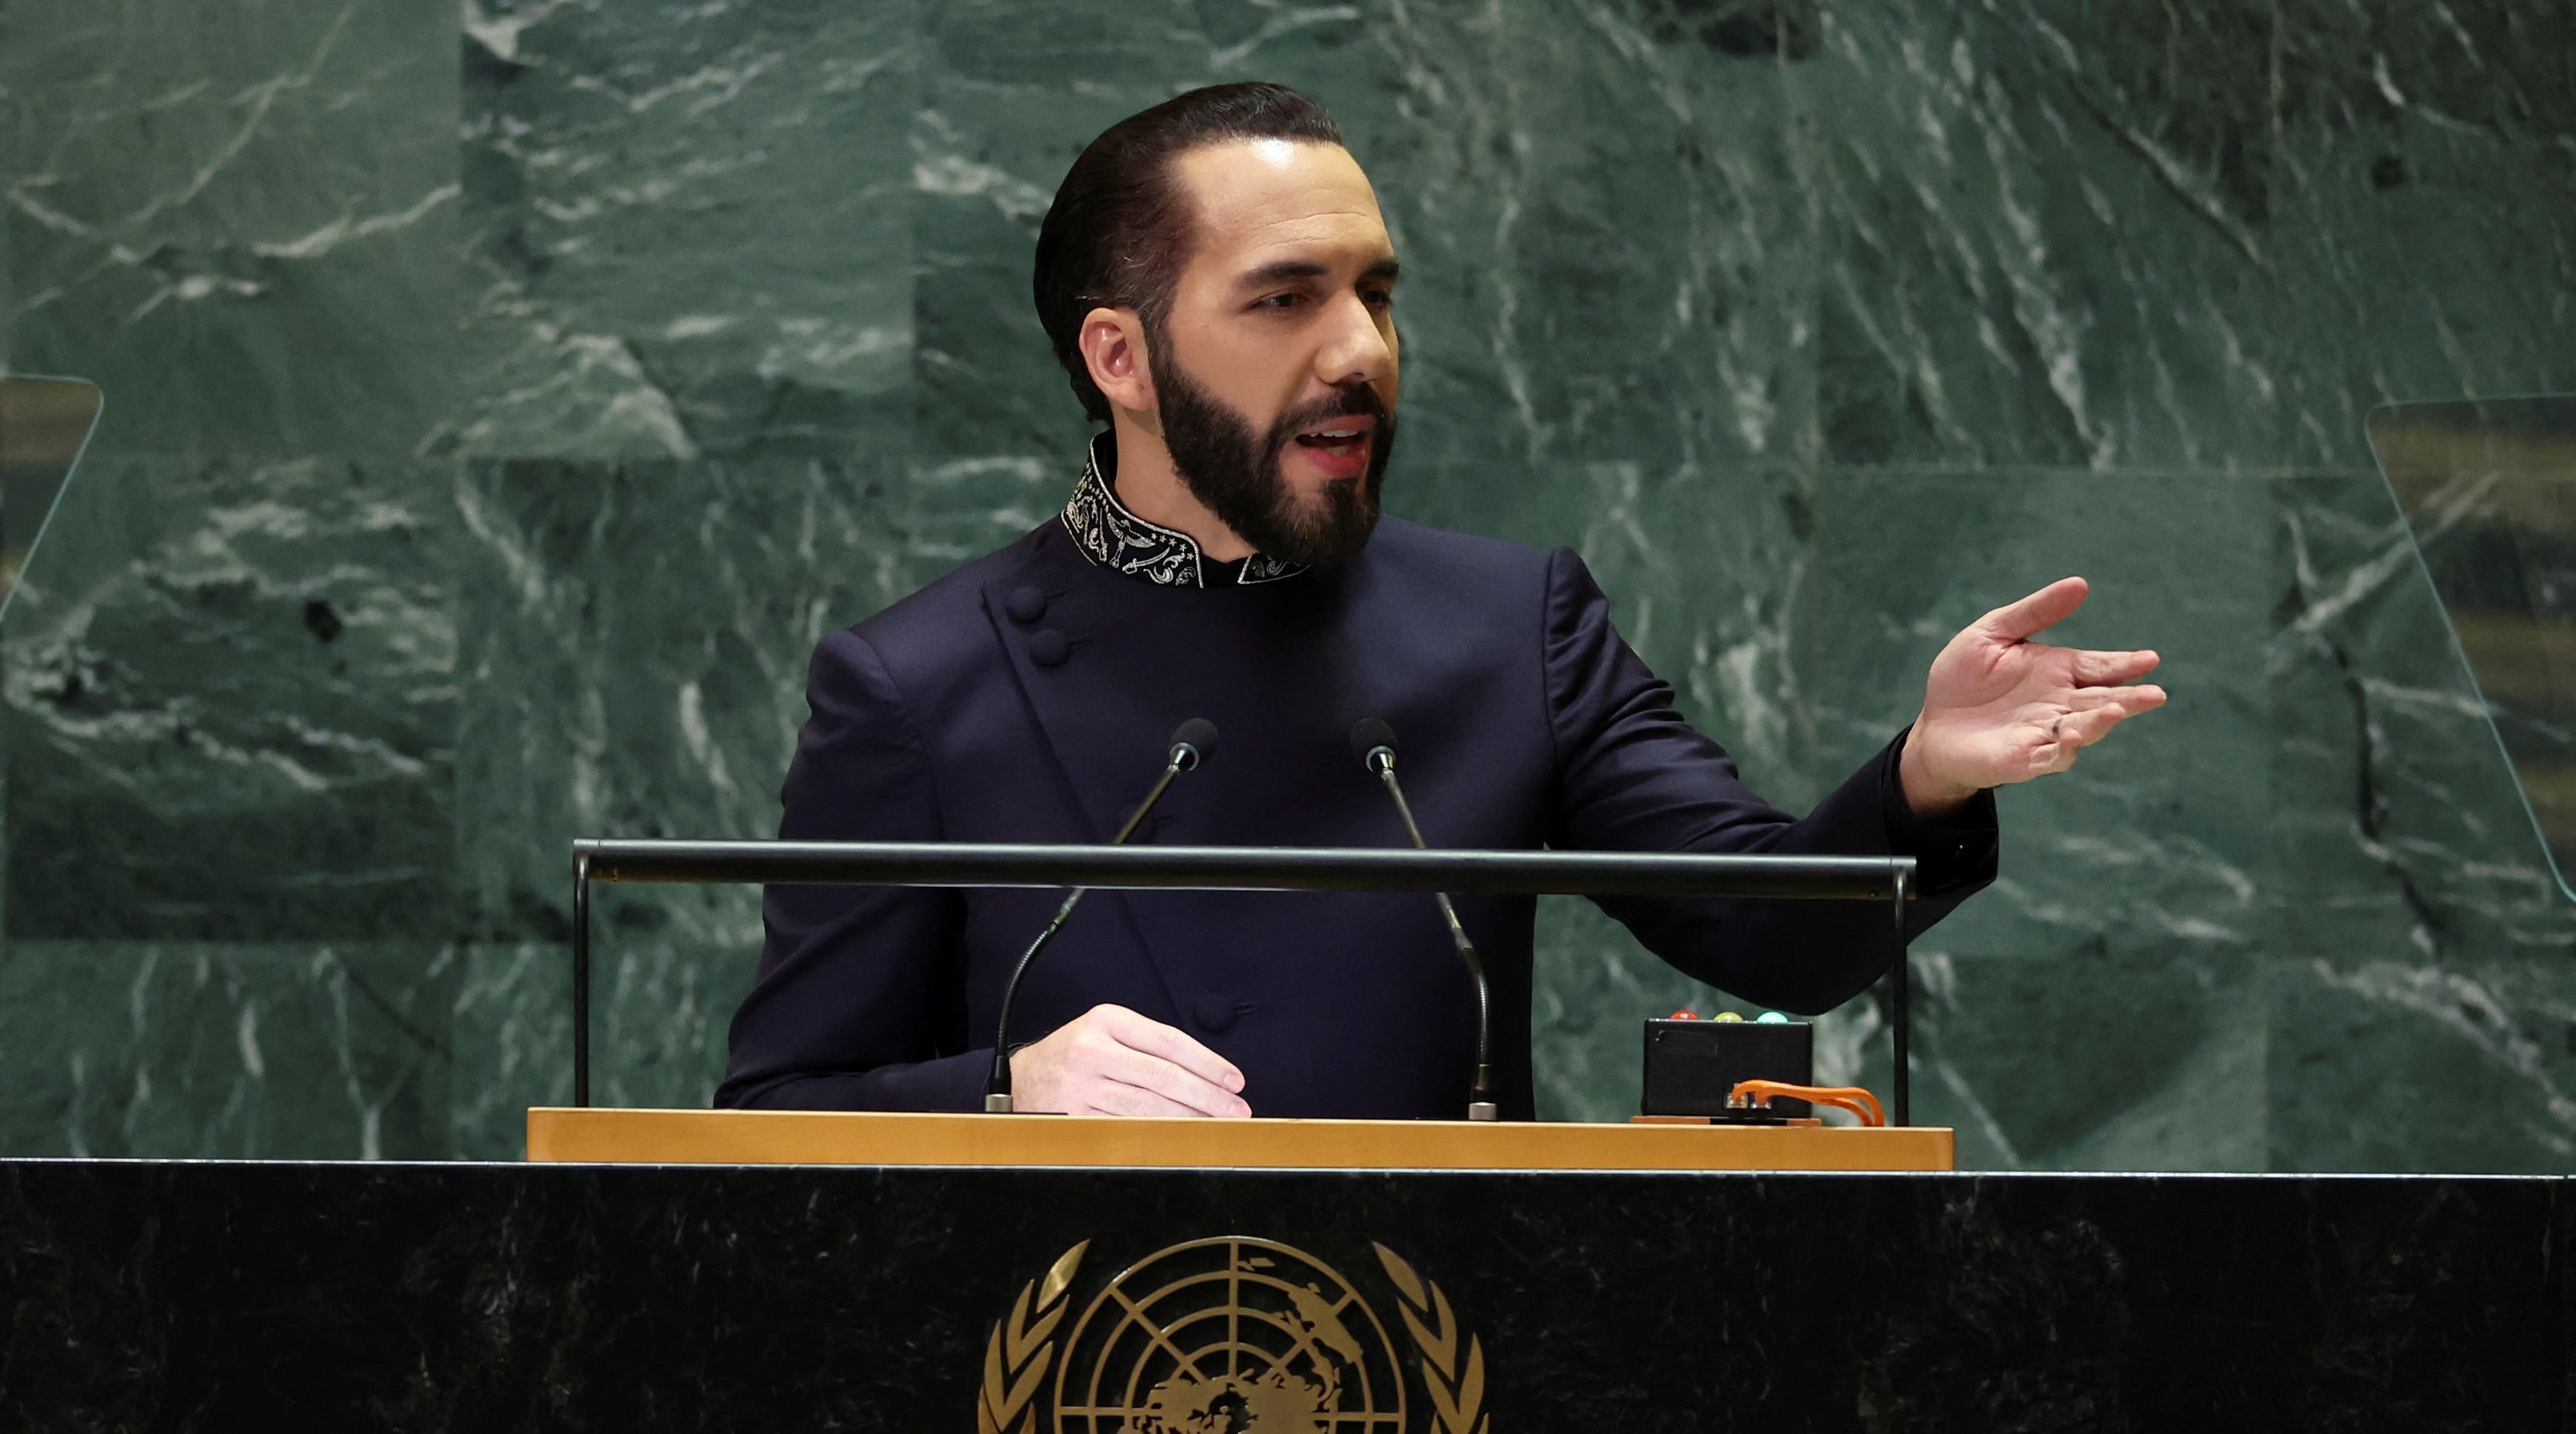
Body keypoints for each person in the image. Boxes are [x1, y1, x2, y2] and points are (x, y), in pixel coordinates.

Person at [716, 83, 2162, 1122]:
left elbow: (1769, 932)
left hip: (1439, 1390)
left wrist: (1924, 776)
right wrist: (1001, 1088)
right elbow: (774, 1109)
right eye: (1287, 299)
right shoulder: (916, 681)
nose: (1362, 349)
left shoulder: (1510, 624)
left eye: (1378, 293)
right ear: (1121, 357)